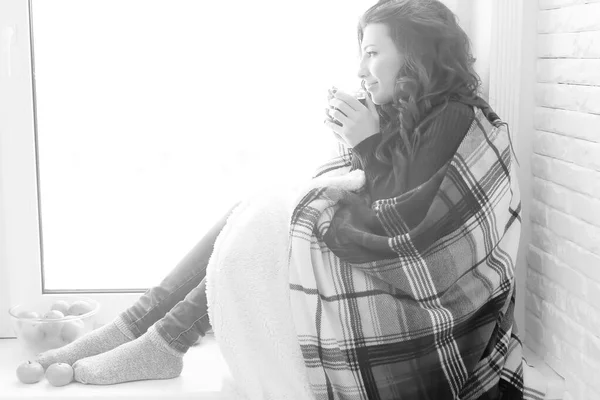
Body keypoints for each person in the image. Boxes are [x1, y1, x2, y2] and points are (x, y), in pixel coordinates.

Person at [37, 0, 525, 398]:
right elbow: (375, 189)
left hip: (416, 297)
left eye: (373, 52)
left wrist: (367, 144)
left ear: (415, 56)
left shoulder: (453, 116)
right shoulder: (411, 111)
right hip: (380, 260)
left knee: (267, 214)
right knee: (248, 210)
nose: (362, 67)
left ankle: (157, 338)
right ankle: (139, 330)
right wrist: (359, 142)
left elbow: (401, 225)